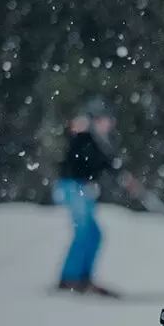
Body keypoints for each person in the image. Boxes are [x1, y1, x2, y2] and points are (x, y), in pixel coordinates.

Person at [54, 99, 124, 297]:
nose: (109, 124)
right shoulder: (84, 134)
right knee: (84, 232)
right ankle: (70, 278)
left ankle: (83, 277)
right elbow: (89, 158)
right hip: (73, 186)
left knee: (94, 234)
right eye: (106, 119)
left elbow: (104, 161)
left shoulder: (96, 138)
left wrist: (119, 172)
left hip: (83, 187)